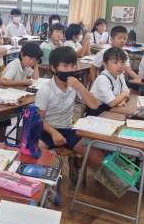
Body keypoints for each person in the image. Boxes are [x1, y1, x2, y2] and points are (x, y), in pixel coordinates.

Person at [35, 46, 103, 175]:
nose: (70, 70)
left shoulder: (75, 85)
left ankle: (77, 163)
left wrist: (81, 87)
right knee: (35, 158)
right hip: (46, 130)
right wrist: (54, 133)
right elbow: (39, 119)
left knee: (97, 158)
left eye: (72, 66)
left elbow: (94, 105)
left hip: (67, 128)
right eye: (65, 66)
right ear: (54, 68)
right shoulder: (45, 90)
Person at [89, 47, 130, 115]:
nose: (120, 66)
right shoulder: (102, 79)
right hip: (97, 113)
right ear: (105, 65)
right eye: (115, 62)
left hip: (111, 109)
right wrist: (124, 94)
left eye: (122, 62)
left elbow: (127, 92)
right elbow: (112, 102)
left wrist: (123, 100)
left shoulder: (120, 75)